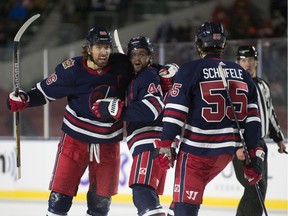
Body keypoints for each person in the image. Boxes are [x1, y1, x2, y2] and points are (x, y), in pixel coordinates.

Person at [7, 26, 133, 216]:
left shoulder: (121, 65)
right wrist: (23, 99)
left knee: (101, 204)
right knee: (59, 199)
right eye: (99, 47)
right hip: (75, 141)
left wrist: (163, 74)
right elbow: (43, 92)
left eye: (107, 47)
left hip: (108, 143)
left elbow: (144, 75)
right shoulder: (72, 70)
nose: (104, 52)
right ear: (88, 48)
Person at [153, 21, 265, 216]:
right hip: (224, 154)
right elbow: (253, 121)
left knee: (185, 208)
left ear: (198, 44)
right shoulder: (243, 75)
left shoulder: (190, 70)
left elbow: (175, 112)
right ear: (223, 44)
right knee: (182, 201)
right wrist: (255, 155)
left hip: (196, 154)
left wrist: (166, 144)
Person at [94, 36, 179, 216]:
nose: (137, 59)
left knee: (142, 193)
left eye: (142, 54)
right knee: (149, 194)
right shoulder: (142, 75)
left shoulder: (147, 76)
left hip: (151, 141)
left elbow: (152, 108)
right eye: (133, 55)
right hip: (155, 141)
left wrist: (115, 109)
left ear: (150, 57)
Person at [233, 45, 286, 216]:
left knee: (259, 188)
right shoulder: (235, 86)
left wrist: (279, 138)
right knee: (255, 188)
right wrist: (238, 145)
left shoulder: (263, 85)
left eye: (250, 60)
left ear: (256, 62)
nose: (247, 63)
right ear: (237, 63)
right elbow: (232, 118)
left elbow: (270, 114)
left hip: (261, 144)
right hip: (244, 145)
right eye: (243, 60)